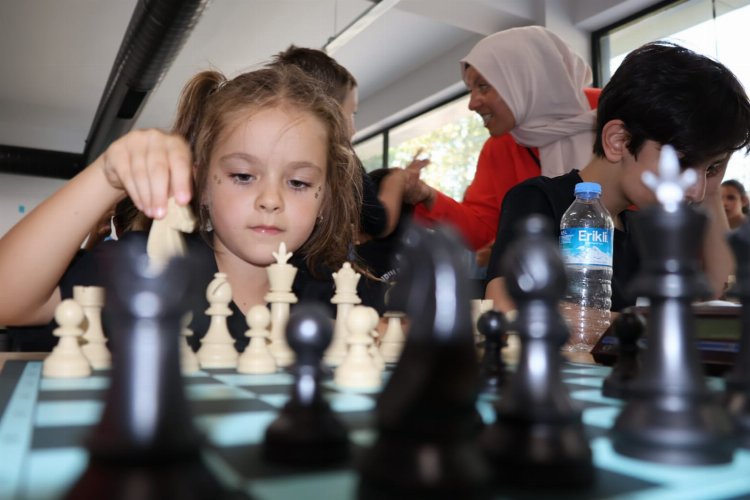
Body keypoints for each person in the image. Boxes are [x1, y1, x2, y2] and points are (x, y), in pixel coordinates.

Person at [0, 64, 376, 350]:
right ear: (201, 185)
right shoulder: (148, 269)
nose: (271, 200)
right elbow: (7, 298)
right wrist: (106, 175)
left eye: (298, 183)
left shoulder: (335, 292)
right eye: (243, 176)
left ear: (324, 197)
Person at [485, 41, 750, 313]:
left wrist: (712, 182)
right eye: (681, 164)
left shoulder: (644, 231)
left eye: (712, 169)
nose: (697, 191)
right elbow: (507, 305)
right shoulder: (539, 201)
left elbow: (722, 297)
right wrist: (628, 329)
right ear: (619, 141)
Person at [405, 26, 600, 253]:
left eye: (483, 86)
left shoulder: (614, 114)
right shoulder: (498, 147)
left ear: (524, 78)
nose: (472, 103)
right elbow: (483, 229)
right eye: (471, 89)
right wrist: (427, 196)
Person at [269, 45, 427, 244]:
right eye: (352, 114)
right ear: (330, 111)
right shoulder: (343, 160)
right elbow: (378, 222)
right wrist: (396, 179)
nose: (354, 129)